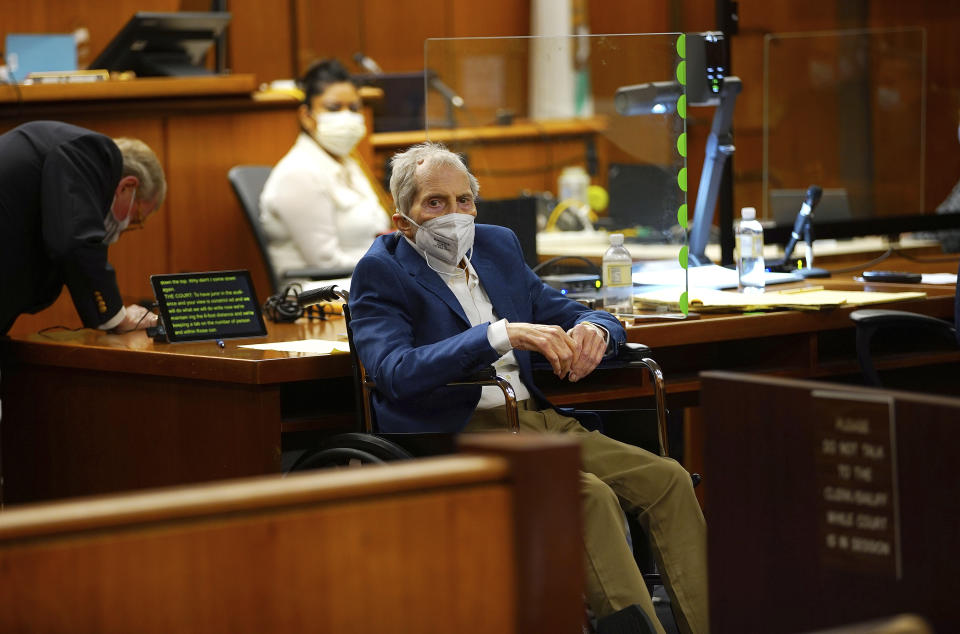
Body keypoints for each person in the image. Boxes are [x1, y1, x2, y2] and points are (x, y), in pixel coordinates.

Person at [349, 142, 708, 634]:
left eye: (464, 201)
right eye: (435, 202)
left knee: (668, 479)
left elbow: (578, 310)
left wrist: (597, 330)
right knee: (589, 497)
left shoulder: (496, 247)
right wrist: (497, 334)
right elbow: (393, 370)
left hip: (537, 423)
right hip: (456, 433)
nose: (454, 214)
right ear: (402, 220)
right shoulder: (382, 270)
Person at [0, 120, 166, 335]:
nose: (127, 228)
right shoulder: (95, 154)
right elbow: (76, 240)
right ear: (127, 186)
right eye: (138, 217)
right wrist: (118, 317)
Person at [259, 58, 390, 276]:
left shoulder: (349, 163)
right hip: (318, 292)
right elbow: (325, 263)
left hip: (363, 279)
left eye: (354, 108)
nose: (347, 116)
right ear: (307, 117)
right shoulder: (299, 172)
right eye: (334, 108)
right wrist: (392, 268)